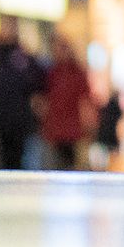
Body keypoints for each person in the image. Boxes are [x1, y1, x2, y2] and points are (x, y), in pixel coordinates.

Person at [0, 23, 48, 171]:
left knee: (20, 159)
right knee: (5, 159)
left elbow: (36, 81)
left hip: (20, 119)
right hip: (2, 118)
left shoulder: (22, 59)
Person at [38, 33, 97, 170]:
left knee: (73, 170)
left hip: (73, 133)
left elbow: (85, 102)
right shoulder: (51, 73)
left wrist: (89, 126)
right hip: (54, 132)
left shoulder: (78, 73)